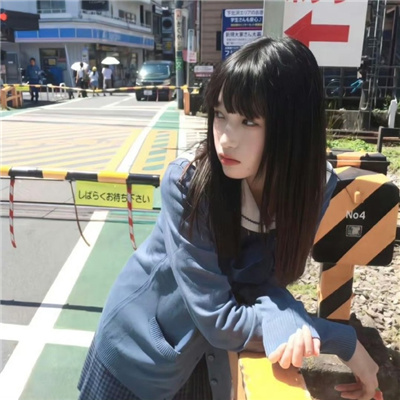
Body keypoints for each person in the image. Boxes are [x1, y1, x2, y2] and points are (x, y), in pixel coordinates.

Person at [78, 37, 380, 400]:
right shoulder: (190, 183)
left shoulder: (313, 186)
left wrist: (287, 316)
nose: (225, 139)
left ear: (294, 126)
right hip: (138, 355)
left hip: (208, 363)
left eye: (248, 121)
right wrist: (342, 340)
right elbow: (218, 318)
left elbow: (264, 281)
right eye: (220, 115)